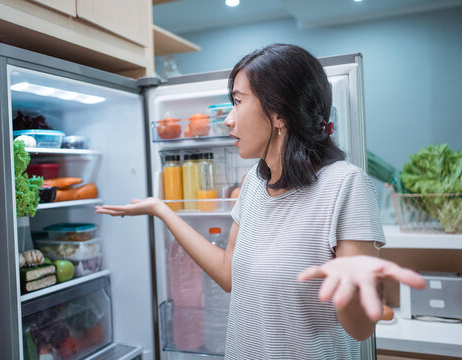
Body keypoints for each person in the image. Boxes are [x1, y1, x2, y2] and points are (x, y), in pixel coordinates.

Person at [95, 44, 425, 359]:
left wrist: (350, 285)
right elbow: (229, 276)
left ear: (279, 113)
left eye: (237, 102)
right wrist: (161, 209)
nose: (228, 119)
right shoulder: (255, 182)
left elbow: (361, 330)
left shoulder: (344, 185)